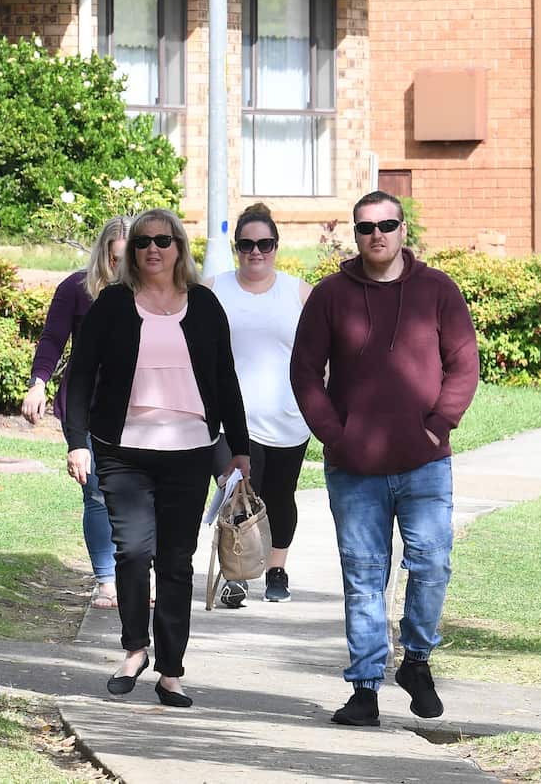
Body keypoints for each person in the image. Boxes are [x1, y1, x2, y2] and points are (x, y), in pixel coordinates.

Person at [291, 190, 479, 728]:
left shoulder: (437, 290)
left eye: (387, 224)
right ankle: (365, 688)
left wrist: (438, 426)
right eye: (366, 227)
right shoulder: (330, 296)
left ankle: (416, 661)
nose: (377, 234)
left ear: (402, 230)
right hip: (355, 468)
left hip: (424, 462)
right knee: (364, 574)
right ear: (356, 234)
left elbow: (463, 364)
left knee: (432, 563)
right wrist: (334, 435)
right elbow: (305, 373)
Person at [64, 208, 250, 708]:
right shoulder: (112, 305)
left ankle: (171, 671)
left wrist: (240, 450)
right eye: (144, 241)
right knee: (133, 552)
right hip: (122, 450)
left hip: (191, 450)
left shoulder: (206, 305)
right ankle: (134, 649)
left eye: (163, 241)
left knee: (174, 561)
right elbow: (80, 376)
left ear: (179, 248)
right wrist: (76, 440)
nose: (152, 249)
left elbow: (226, 379)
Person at [22, 217, 131, 609]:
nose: (120, 268)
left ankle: (137, 575)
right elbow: (53, 339)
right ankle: (106, 579)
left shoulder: (151, 292)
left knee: (137, 497)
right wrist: (39, 382)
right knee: (98, 494)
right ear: (103, 254)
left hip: (134, 410)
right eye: (114, 259)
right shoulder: (77, 289)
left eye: (127, 259)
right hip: (85, 407)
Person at [207, 203, 312, 606]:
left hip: (286, 418)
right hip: (228, 421)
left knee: (280, 496)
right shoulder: (214, 289)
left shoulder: (299, 292)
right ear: (236, 248)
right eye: (246, 245)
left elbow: (324, 353)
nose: (256, 252)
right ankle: (236, 574)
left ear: (276, 246)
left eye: (264, 244)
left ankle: (276, 568)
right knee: (237, 494)